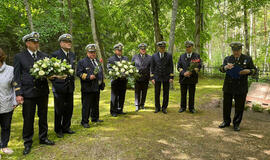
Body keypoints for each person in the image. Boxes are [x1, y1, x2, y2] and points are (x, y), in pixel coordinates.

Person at [13, 32, 54, 155]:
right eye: (34, 42)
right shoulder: (20, 57)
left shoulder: (44, 55)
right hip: (28, 92)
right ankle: (28, 142)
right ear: (27, 43)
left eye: (37, 42)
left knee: (43, 115)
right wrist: (18, 93)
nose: (37, 44)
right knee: (28, 118)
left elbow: (49, 73)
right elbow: (16, 76)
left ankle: (43, 137)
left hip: (42, 92)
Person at [219, 42, 257, 131]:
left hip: (241, 86)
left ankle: (236, 124)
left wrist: (248, 71)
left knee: (239, 106)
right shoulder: (228, 58)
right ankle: (226, 121)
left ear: (241, 50)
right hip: (229, 85)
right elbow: (221, 69)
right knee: (226, 105)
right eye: (234, 50)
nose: (235, 52)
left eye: (237, 50)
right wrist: (225, 67)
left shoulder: (247, 59)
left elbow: (254, 70)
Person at [50, 34, 76, 138]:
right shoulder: (55, 54)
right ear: (61, 43)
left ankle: (66, 127)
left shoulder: (72, 55)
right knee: (59, 109)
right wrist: (57, 80)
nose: (69, 43)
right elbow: (51, 72)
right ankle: (58, 129)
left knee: (69, 108)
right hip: (59, 86)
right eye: (66, 41)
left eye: (69, 42)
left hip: (70, 86)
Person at [77, 44, 105, 128]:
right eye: (91, 52)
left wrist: (102, 82)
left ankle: (95, 118)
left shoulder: (97, 61)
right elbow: (79, 73)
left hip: (96, 86)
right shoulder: (82, 62)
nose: (92, 54)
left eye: (94, 52)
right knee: (86, 105)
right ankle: (84, 121)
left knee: (95, 104)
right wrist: (88, 77)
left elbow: (100, 72)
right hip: (87, 87)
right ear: (87, 52)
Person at [0, 48, 17, 156]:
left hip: (7, 103)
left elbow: (15, 87)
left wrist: (15, 101)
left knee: (6, 126)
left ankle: (4, 146)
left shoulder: (11, 70)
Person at [177, 41, 202, 113]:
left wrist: (191, 72)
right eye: (186, 47)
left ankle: (191, 108)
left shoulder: (196, 56)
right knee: (183, 94)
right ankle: (182, 107)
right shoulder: (182, 56)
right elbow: (178, 66)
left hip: (192, 78)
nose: (187, 48)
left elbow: (199, 66)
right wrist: (183, 73)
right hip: (183, 78)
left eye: (189, 47)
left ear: (192, 47)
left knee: (191, 94)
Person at [150, 41, 174, 114]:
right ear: (158, 48)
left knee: (166, 93)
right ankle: (157, 107)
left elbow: (171, 67)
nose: (162, 49)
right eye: (161, 47)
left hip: (166, 77)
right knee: (157, 93)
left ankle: (164, 108)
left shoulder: (169, 56)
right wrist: (152, 78)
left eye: (163, 47)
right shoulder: (154, 56)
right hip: (157, 77)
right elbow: (152, 67)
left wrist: (171, 77)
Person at [107, 43, 128, 117]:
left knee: (122, 95)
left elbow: (128, 67)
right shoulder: (111, 59)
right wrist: (116, 73)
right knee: (114, 96)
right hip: (115, 81)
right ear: (115, 51)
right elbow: (109, 70)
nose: (120, 51)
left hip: (123, 80)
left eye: (121, 50)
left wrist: (126, 73)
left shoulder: (125, 58)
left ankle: (120, 109)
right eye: (118, 50)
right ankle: (113, 111)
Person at [131, 43, 151, 112]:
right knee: (137, 92)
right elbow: (132, 67)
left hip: (146, 77)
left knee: (144, 92)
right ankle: (137, 105)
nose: (143, 50)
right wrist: (133, 75)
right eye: (142, 49)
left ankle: (142, 104)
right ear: (140, 49)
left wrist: (151, 77)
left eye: (144, 49)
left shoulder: (149, 57)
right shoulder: (135, 57)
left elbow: (151, 68)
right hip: (137, 78)